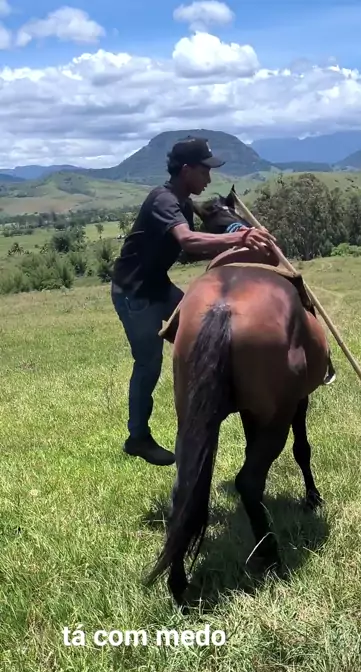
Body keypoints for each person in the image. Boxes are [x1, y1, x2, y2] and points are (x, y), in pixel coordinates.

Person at [110, 136, 277, 466]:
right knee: (148, 364)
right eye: (204, 171)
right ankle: (137, 438)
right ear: (186, 170)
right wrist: (241, 236)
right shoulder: (163, 200)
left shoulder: (183, 204)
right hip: (134, 294)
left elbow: (191, 248)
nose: (209, 179)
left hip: (158, 287)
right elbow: (187, 240)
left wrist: (237, 238)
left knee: (204, 335)